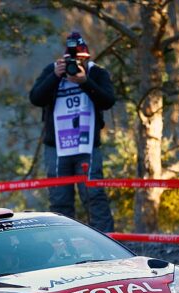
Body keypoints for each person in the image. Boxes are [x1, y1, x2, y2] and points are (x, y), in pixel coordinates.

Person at [29, 32, 115, 232]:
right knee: (59, 200)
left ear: (88, 58)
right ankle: (65, 245)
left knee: (94, 196)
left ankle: (107, 240)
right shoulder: (53, 71)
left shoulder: (96, 73)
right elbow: (35, 98)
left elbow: (108, 101)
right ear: (63, 59)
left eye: (80, 60)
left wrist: (85, 82)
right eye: (71, 61)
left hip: (87, 145)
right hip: (57, 147)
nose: (75, 65)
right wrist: (55, 76)